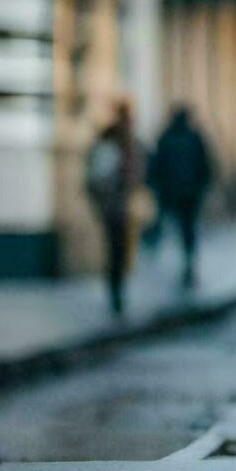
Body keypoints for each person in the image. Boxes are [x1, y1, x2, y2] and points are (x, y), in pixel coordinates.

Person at [86, 98, 145, 315]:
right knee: (116, 250)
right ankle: (115, 293)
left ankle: (118, 291)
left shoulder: (129, 142)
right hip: (114, 205)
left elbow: (138, 172)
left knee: (121, 251)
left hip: (124, 205)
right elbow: (96, 177)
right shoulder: (111, 142)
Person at [148, 105, 213, 288]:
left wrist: (158, 186)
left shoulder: (167, 137)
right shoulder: (193, 137)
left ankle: (183, 263)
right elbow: (206, 165)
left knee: (177, 227)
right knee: (188, 230)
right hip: (190, 195)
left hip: (173, 193)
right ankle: (188, 265)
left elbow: (156, 166)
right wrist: (202, 187)